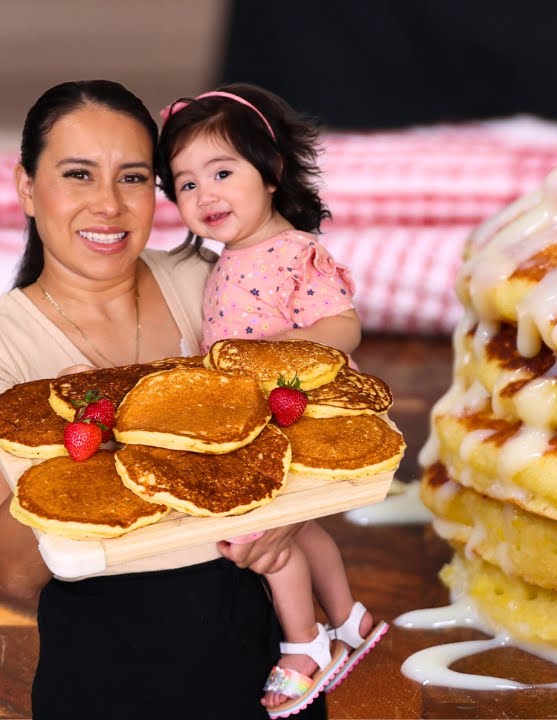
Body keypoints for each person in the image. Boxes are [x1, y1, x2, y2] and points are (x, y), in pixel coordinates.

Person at [0, 80, 326, 719]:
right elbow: (14, 574)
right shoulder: (9, 348)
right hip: (112, 663)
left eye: (132, 178)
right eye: (77, 174)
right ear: (28, 188)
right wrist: (111, 448)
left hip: (265, 644)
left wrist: (294, 509)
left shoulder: (210, 281)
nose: (108, 205)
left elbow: (314, 421)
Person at [157, 84, 386, 717]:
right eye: (185, 184)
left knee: (256, 528)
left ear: (272, 170)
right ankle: (349, 618)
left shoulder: (293, 252)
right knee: (301, 525)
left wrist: (284, 349)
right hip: (258, 417)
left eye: (223, 172)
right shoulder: (231, 256)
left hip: (297, 413)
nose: (205, 195)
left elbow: (344, 327)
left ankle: (303, 646)